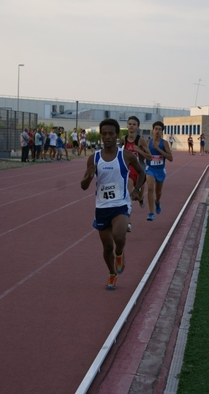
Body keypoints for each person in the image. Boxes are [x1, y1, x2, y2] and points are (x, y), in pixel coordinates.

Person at [81, 118, 145, 290]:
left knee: (118, 236)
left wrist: (137, 189)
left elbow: (141, 172)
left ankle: (120, 253)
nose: (107, 137)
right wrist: (88, 176)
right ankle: (111, 273)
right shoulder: (93, 158)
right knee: (107, 246)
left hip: (120, 205)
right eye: (104, 134)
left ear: (117, 135)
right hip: (102, 207)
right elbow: (83, 186)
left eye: (110, 134)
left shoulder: (126, 155)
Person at [121, 116, 152, 232]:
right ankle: (128, 222)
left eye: (134, 124)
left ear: (138, 127)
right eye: (130, 124)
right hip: (128, 170)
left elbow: (149, 156)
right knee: (127, 196)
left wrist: (139, 151)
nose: (131, 126)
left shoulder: (141, 141)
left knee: (138, 194)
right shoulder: (123, 139)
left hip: (139, 169)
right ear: (127, 126)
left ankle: (140, 197)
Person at [145, 121, 173, 221]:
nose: (157, 131)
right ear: (153, 130)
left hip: (160, 170)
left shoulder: (164, 143)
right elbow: (143, 155)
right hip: (150, 169)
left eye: (160, 129)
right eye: (156, 129)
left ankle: (157, 202)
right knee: (150, 188)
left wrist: (158, 149)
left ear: (162, 132)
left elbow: (170, 158)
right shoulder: (147, 142)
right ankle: (151, 213)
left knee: (158, 192)